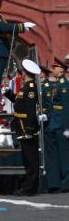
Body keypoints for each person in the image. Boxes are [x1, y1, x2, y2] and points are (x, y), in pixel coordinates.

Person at [9, 73, 42, 195]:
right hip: (22, 126)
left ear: (25, 73)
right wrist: (9, 94)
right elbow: (20, 102)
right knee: (27, 158)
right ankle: (30, 186)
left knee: (31, 159)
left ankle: (30, 188)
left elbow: (30, 110)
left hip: (27, 127)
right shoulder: (26, 87)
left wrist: (29, 128)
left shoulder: (31, 88)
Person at [42, 56, 69, 193]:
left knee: (64, 155)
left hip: (62, 123)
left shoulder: (64, 85)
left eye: (55, 67)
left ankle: (66, 183)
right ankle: (58, 183)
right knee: (58, 155)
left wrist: (67, 127)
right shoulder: (58, 83)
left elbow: (66, 106)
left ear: (61, 69)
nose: (53, 70)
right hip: (55, 122)